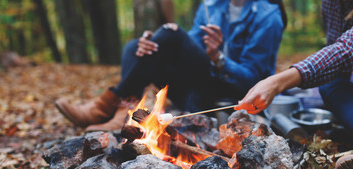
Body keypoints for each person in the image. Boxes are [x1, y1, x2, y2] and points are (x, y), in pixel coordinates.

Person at [56, 0, 285, 131]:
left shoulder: (268, 17)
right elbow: (189, 46)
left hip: (229, 97)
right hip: (196, 84)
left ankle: (108, 104)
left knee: (169, 33)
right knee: (135, 45)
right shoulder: (213, 5)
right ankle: (124, 110)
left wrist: (218, 59)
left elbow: (255, 81)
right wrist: (153, 43)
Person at [235, 0, 353, 133]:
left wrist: (276, 83)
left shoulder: (267, 15)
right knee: (329, 86)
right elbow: (336, 59)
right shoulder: (332, 3)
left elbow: (347, 50)